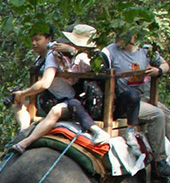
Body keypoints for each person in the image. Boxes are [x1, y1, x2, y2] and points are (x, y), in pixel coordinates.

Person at [101, 28, 170, 176]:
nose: (118, 37)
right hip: (126, 101)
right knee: (157, 115)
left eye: (123, 34)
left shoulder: (146, 50)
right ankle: (159, 162)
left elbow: (165, 64)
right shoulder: (109, 52)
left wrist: (159, 70)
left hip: (144, 97)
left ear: (134, 36)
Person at [7, 26, 109, 154]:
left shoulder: (68, 56)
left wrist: (23, 93)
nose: (34, 43)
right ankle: (23, 131)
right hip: (49, 99)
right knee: (18, 104)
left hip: (70, 101)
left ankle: (26, 142)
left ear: (49, 39)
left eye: (37, 39)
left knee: (55, 111)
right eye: (32, 40)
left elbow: (45, 83)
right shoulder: (43, 58)